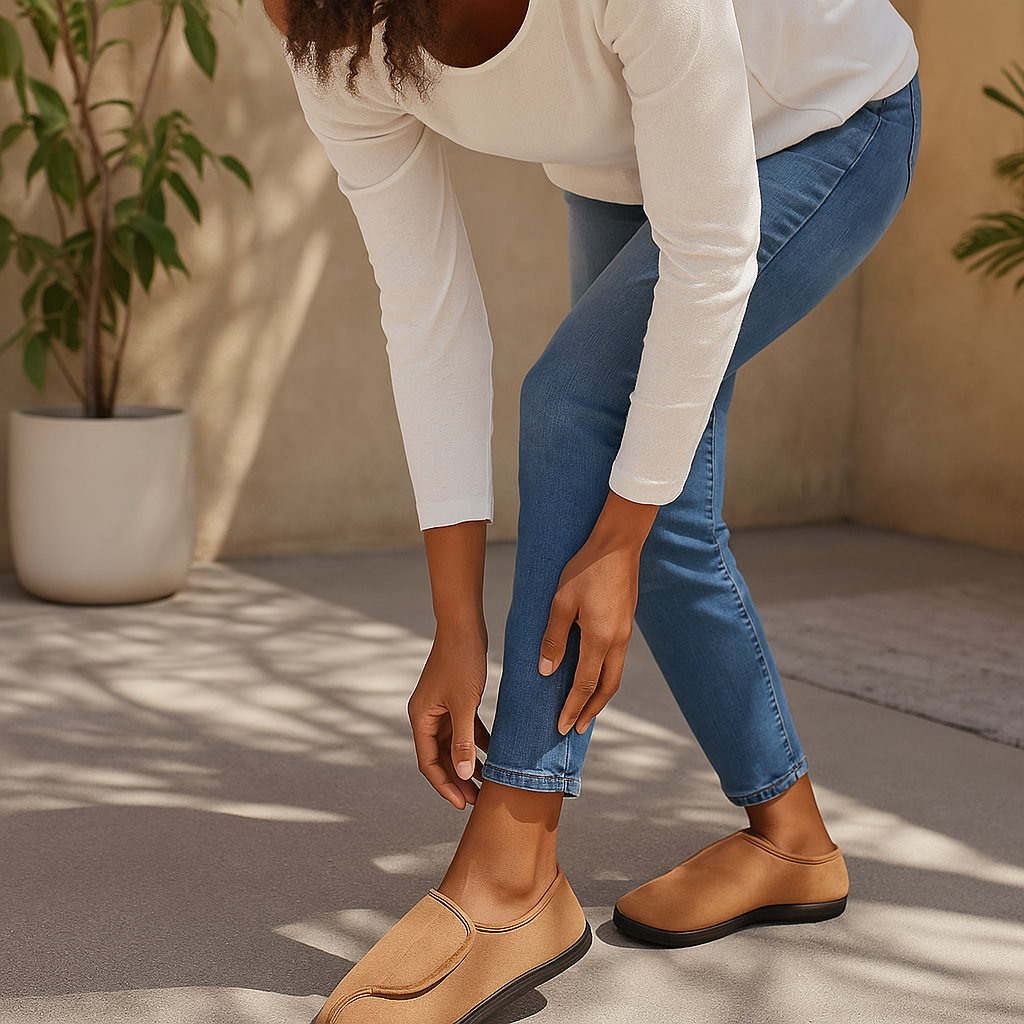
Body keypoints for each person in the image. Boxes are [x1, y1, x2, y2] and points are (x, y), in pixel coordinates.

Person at [264, 1, 921, 1021]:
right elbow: (427, 315)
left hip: (826, 120)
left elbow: (711, 248)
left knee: (583, 412)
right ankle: (793, 842)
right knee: (652, 505)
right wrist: (455, 624)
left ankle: (513, 870)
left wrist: (618, 533)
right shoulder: (330, 34)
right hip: (627, 165)